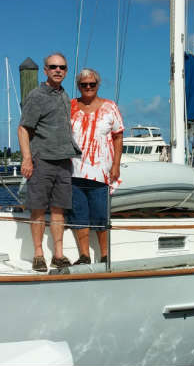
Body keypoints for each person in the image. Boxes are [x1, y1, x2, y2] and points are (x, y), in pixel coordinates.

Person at [18, 52, 81, 272]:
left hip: (63, 160)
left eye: (62, 67)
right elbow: (24, 128)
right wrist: (27, 158)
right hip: (42, 160)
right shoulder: (37, 96)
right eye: (53, 67)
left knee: (58, 210)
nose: (58, 70)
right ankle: (38, 254)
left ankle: (59, 254)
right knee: (37, 209)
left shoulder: (63, 95)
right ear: (45, 70)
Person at [68, 68, 124, 264]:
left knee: (101, 215)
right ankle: (84, 255)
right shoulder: (70, 106)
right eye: (84, 85)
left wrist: (116, 165)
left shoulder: (110, 107)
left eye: (92, 84)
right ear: (79, 86)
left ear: (98, 85)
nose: (88, 87)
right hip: (74, 171)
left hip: (101, 173)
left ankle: (104, 255)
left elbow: (118, 137)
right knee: (79, 214)